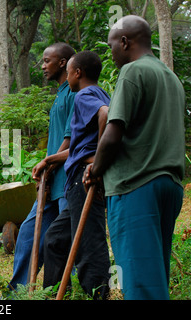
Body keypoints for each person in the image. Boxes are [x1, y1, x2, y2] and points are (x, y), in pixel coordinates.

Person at [83, 15, 185, 300]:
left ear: (125, 42)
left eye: (112, 44)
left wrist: (96, 169)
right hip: (170, 186)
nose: (112, 52)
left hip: (136, 185)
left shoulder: (132, 72)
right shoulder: (171, 78)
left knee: (139, 280)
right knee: (154, 273)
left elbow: (114, 133)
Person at [7, 43, 76, 294]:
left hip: (67, 179)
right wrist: (44, 173)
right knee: (27, 233)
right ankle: (18, 292)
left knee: (66, 239)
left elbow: (71, 139)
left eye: (47, 61)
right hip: (50, 179)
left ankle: (69, 289)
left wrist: (49, 163)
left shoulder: (74, 92)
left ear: (63, 63)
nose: (43, 66)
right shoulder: (59, 94)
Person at [42, 51, 111, 299]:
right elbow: (84, 143)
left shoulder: (83, 95)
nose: (68, 76)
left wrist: (99, 162)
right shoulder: (100, 92)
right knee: (54, 239)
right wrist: (50, 160)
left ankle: (98, 294)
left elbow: (105, 115)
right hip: (76, 181)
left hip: (85, 177)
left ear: (77, 73)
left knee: (89, 244)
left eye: (69, 71)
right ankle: (52, 294)